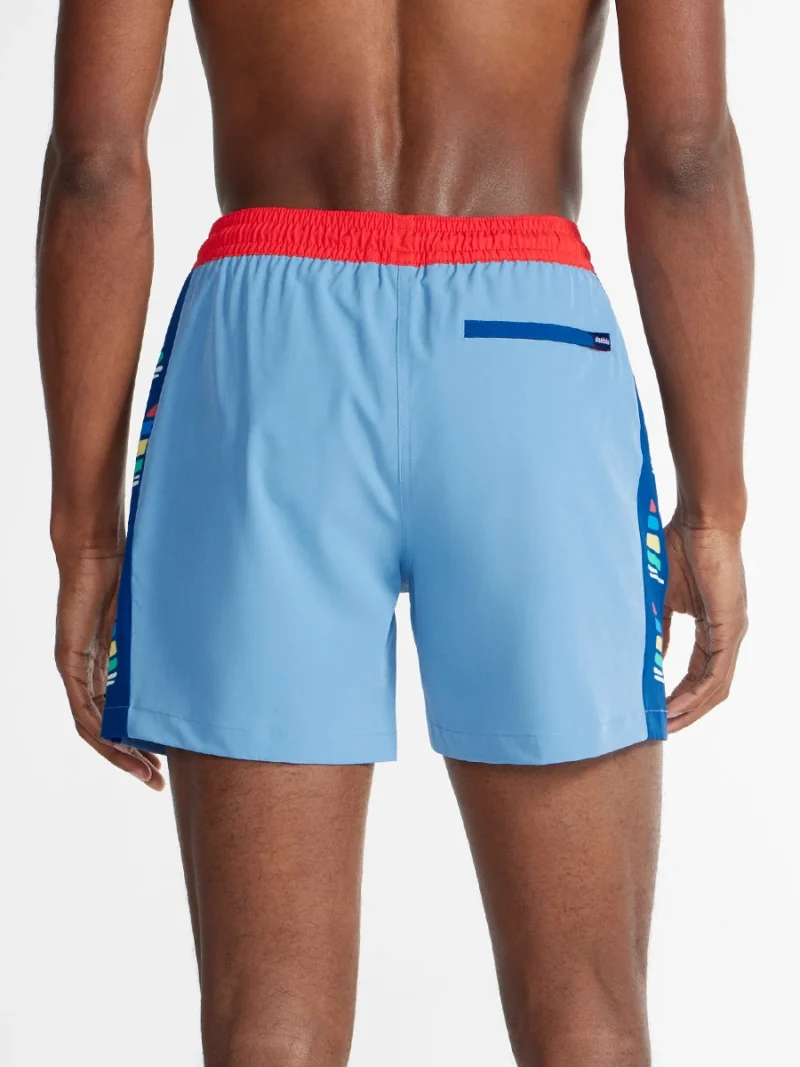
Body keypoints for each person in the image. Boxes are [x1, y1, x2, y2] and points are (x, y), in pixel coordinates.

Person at [37, 0, 751, 1064]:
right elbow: (685, 153)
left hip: (269, 355)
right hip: (528, 351)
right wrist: (714, 508)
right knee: (588, 1016)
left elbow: (95, 161)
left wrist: (86, 533)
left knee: (269, 1025)